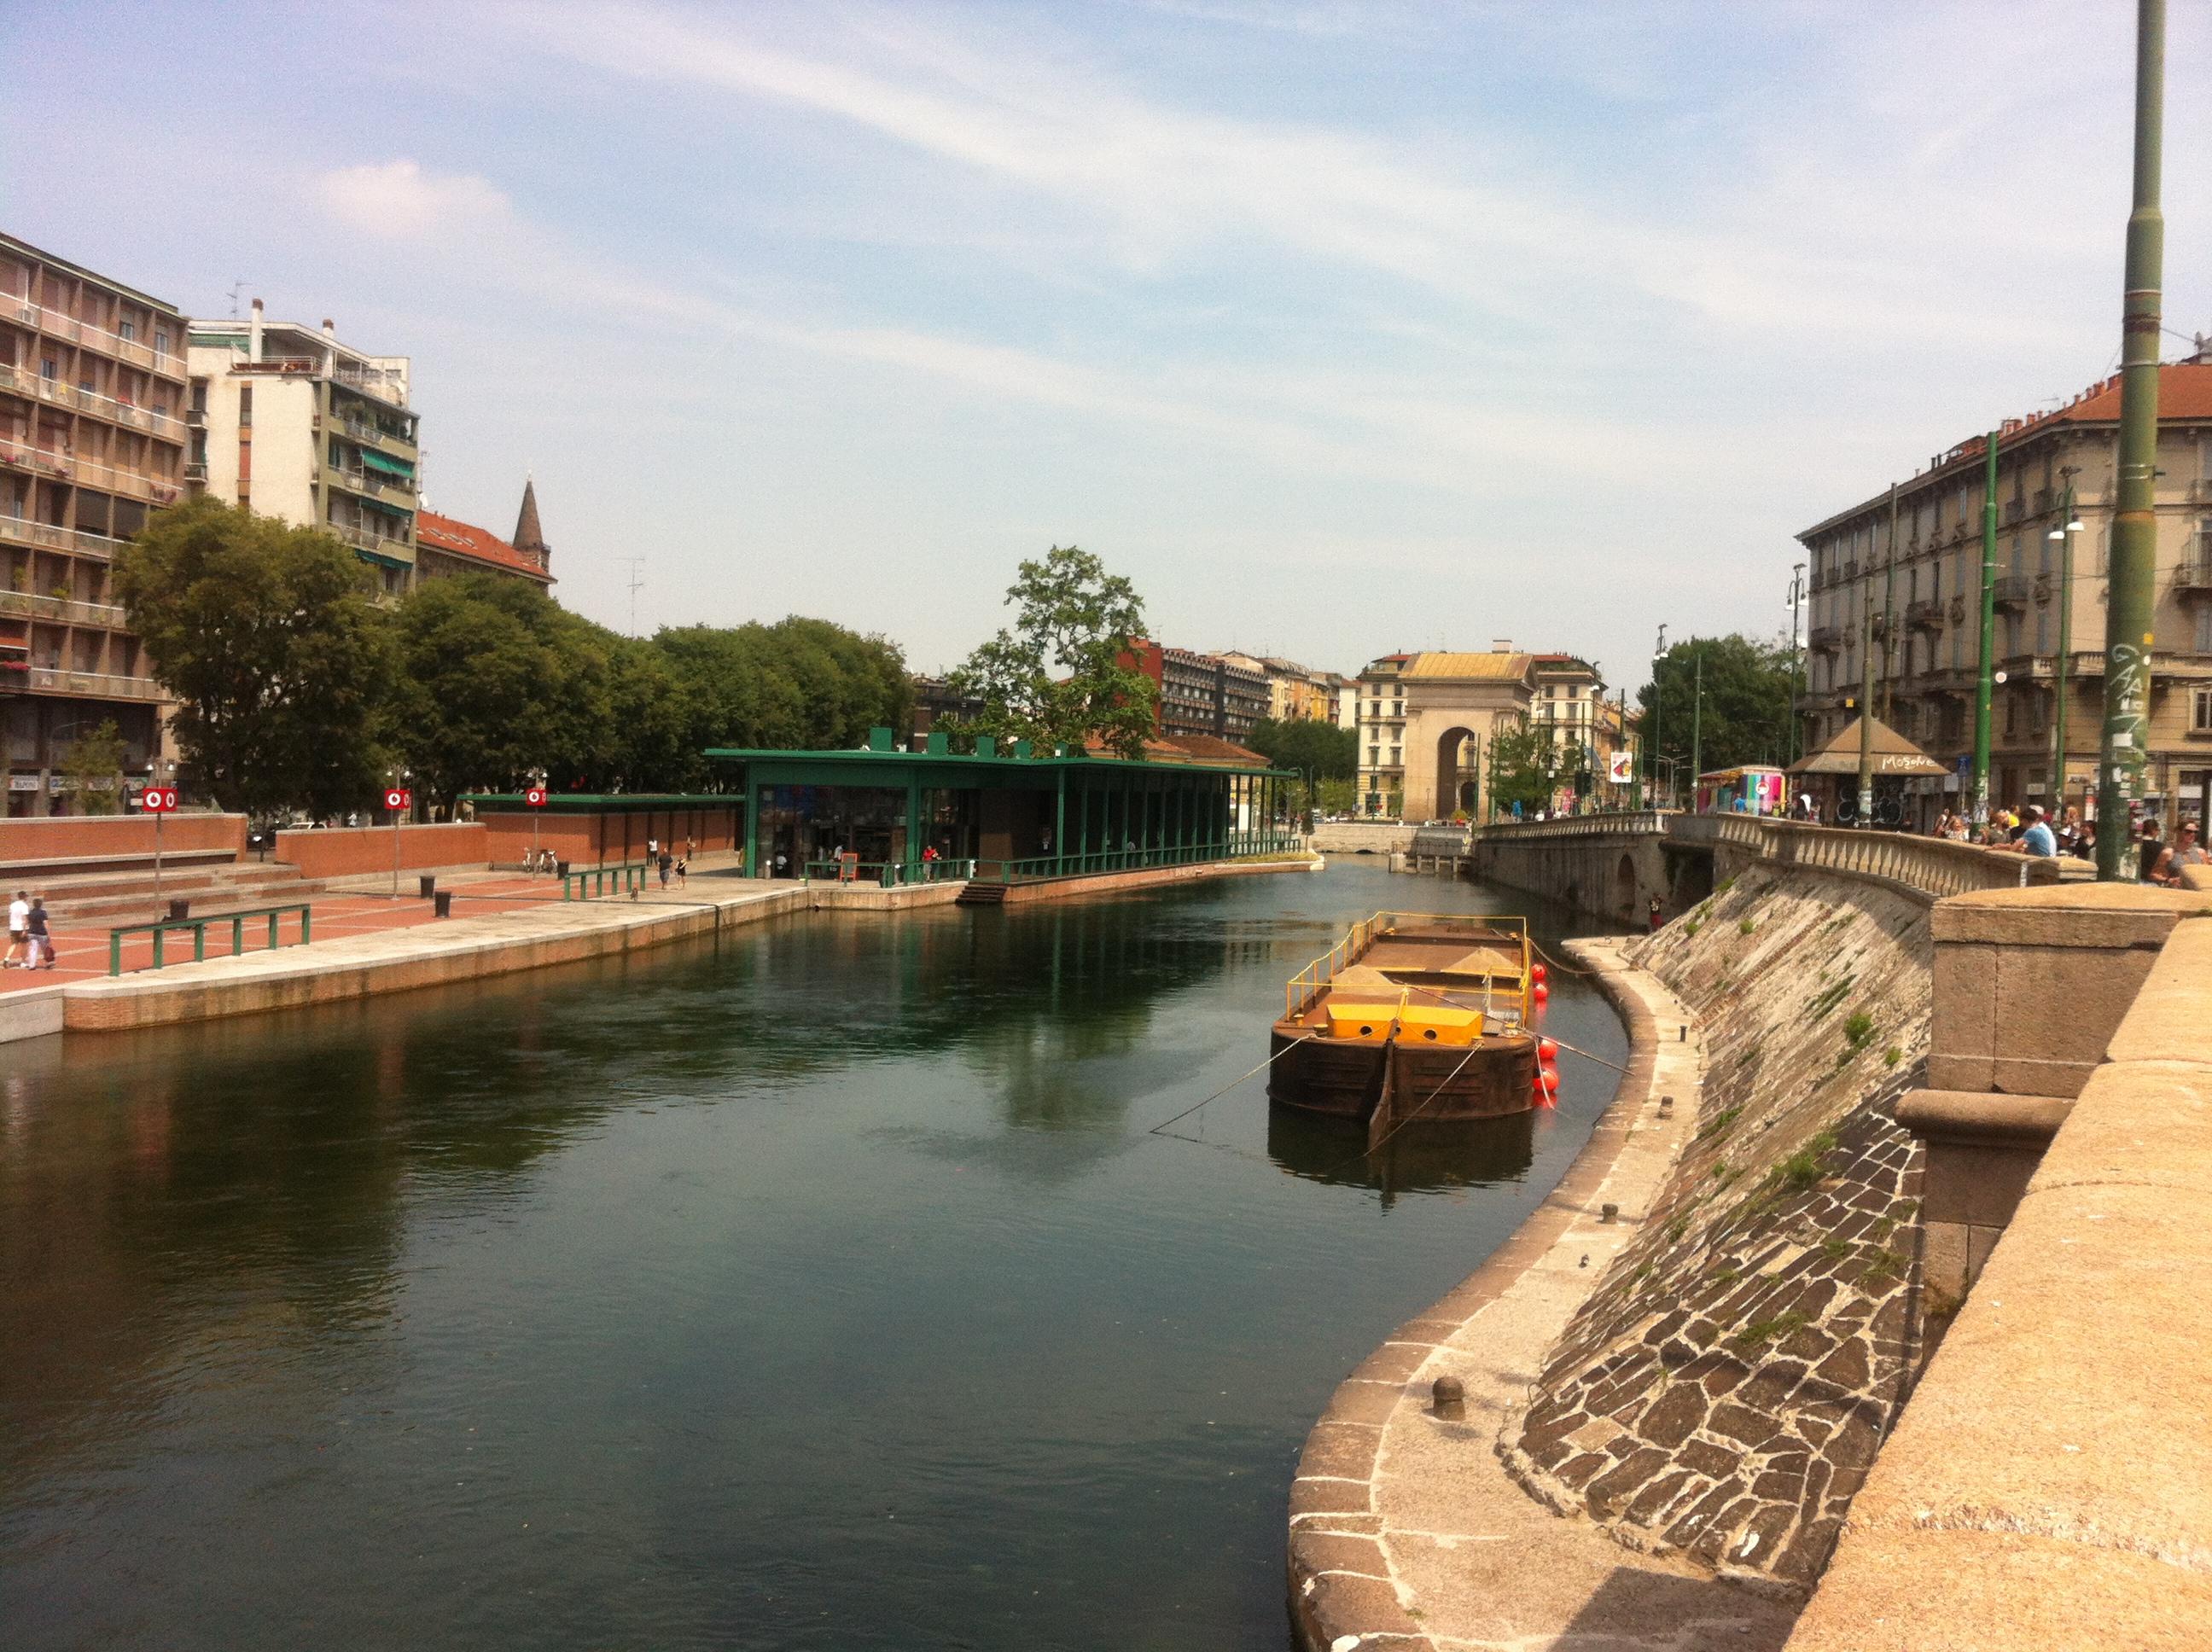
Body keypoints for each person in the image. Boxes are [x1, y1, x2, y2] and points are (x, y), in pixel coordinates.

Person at [2149, 820, 2207, 887]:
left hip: (2197, 892)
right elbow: (2154, 875)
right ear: (2179, 832)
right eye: (2188, 832)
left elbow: (2207, 874)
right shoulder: (2168, 853)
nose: (2192, 834)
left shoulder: (2201, 853)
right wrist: (2169, 880)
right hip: (2177, 892)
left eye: (2195, 832)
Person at [25, 896, 53, 970]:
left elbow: (27, 923)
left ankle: (32, 965)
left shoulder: (30, 912)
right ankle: (48, 963)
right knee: (44, 949)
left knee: (33, 949)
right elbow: (46, 923)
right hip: (41, 932)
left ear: (34, 904)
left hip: (32, 932)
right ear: (41, 905)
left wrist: (26, 931)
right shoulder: (43, 912)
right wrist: (49, 933)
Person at [4, 889, 28, 969]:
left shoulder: (13, 905)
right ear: (24, 897)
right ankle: (23, 962)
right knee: (24, 945)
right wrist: (25, 929)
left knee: (13, 944)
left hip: (13, 926)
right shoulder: (24, 906)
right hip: (21, 927)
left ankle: (7, 958)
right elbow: (25, 918)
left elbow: (10, 914)